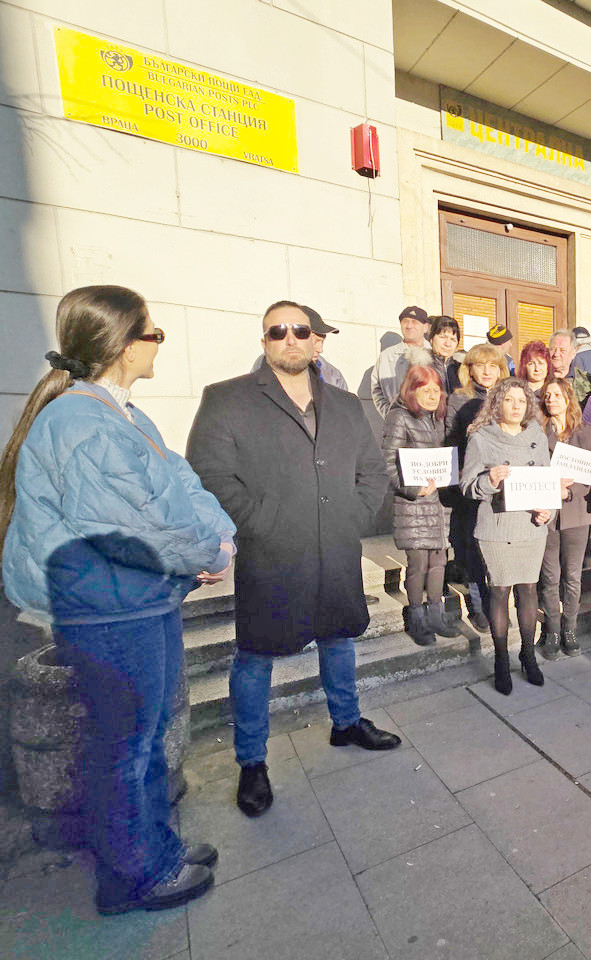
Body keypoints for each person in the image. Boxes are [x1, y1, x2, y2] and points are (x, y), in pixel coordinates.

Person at [1, 286, 232, 914]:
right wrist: (208, 552)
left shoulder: (122, 414)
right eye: (153, 334)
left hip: (140, 600)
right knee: (126, 745)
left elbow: (180, 484)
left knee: (145, 738)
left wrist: (220, 537)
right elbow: (139, 524)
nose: (159, 345)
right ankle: (134, 874)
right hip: (110, 610)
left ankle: (156, 847)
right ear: (125, 345)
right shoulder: (83, 423)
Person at [187, 300, 399, 821]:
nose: (290, 338)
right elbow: (210, 477)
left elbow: (372, 472)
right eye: (277, 331)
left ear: (315, 340)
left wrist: (351, 516)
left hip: (336, 550)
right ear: (264, 341)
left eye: (300, 330)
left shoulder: (344, 404)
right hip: (272, 554)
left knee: (339, 637)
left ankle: (346, 722)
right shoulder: (228, 398)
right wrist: (263, 522)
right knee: (255, 655)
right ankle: (252, 762)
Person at [459, 379, 556, 695]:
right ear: (497, 403)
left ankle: (528, 655)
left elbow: (546, 482)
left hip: (530, 525)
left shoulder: (537, 436)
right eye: (509, 400)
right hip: (497, 526)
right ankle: (501, 659)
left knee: (529, 589)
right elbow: (467, 486)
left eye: (522, 401)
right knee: (499, 591)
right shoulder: (481, 438)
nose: (516, 406)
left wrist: (548, 512)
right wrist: (488, 480)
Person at [382, 364, 462, 646]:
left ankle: (436, 615)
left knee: (439, 561)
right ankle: (416, 617)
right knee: (418, 564)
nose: (432, 395)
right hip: (414, 505)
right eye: (425, 389)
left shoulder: (440, 419)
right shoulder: (399, 417)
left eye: (436, 389)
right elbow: (388, 463)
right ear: (411, 390)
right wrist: (413, 489)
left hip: (439, 504)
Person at [444, 343, 509, 632]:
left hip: (500, 485)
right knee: (470, 548)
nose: (486, 371)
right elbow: (450, 440)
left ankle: (497, 605)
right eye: (480, 365)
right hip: (470, 485)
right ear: (469, 370)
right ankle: (478, 605)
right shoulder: (458, 399)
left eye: (492, 366)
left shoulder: (507, 397)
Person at [537, 378, 591, 659]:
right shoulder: (537, 432)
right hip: (546, 513)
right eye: (547, 395)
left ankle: (569, 629)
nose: (551, 400)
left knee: (572, 577)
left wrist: (570, 491)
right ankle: (552, 631)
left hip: (577, 513)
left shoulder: (586, 433)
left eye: (557, 395)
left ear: (568, 398)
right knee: (550, 577)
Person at [250, 307, 350, 391]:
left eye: (322, 341)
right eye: (315, 341)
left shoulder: (333, 375)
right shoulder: (268, 363)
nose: (320, 349)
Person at [372, 305, 432, 416]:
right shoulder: (386, 356)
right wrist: (391, 415)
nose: (409, 326)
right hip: (398, 421)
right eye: (405, 321)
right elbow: (377, 390)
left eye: (414, 322)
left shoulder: (434, 354)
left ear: (425, 327)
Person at [549, 328, 591, 403]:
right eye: (553, 349)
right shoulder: (539, 377)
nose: (556, 354)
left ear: (573, 353)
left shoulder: (588, 382)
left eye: (562, 350)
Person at [424, 315, 463, 393]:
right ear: (431, 339)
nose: (448, 344)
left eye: (453, 339)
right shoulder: (421, 367)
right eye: (443, 337)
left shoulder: (462, 370)